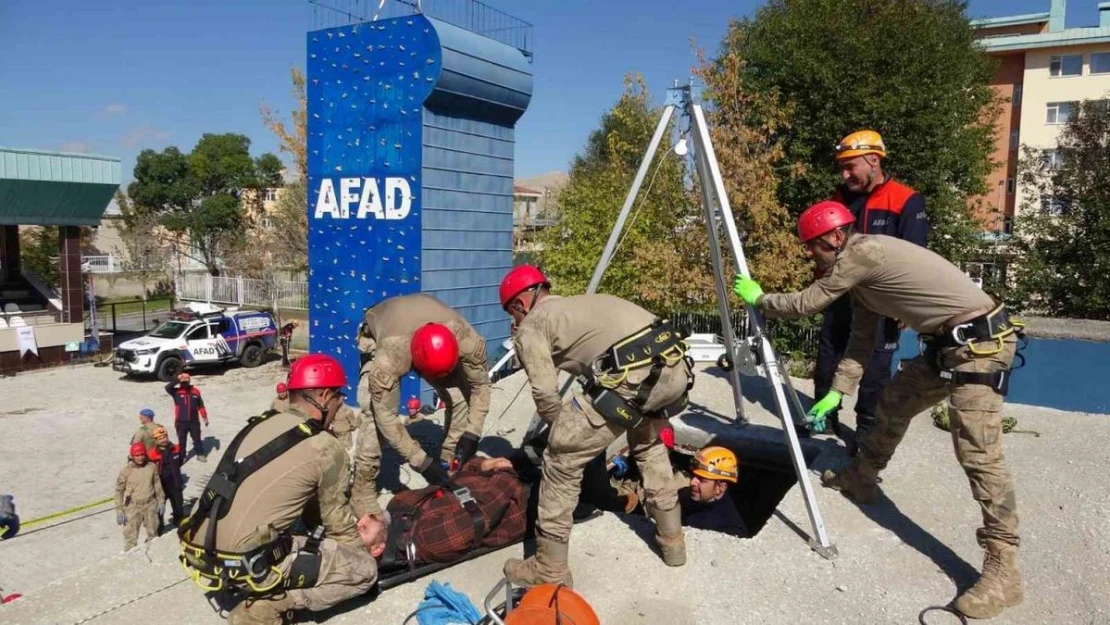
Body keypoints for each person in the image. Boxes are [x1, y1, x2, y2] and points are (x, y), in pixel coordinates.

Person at [733, 200, 1025, 619]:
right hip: (949, 348)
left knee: (979, 453)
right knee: (893, 404)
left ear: (836, 237)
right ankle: (863, 478)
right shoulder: (864, 281)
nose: (809, 254)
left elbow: (805, 303)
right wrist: (838, 392)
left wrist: (761, 299)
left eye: (813, 246)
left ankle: (1004, 569)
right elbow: (861, 343)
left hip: (979, 347)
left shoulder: (863, 252)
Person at [498, 265, 693, 587]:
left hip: (630, 377)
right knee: (648, 443)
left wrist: (564, 433)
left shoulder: (534, 323)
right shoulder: (585, 303)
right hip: (675, 369)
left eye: (513, 314)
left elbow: (545, 392)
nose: (516, 322)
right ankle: (673, 542)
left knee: (561, 460)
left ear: (520, 303)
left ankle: (549, 570)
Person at [178, 354, 381, 625]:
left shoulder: (260, 422)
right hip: (246, 562)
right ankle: (269, 606)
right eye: (338, 398)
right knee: (364, 571)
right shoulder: (325, 446)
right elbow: (337, 522)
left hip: (199, 548)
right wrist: (358, 551)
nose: (339, 405)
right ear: (323, 395)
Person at [815, 130, 929, 453]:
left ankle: (866, 430)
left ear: (874, 160)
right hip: (840, 297)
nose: (844, 174)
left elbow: (916, 256)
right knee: (829, 357)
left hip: (881, 302)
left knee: (875, 366)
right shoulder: (839, 199)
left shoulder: (905, 200)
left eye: (850, 167)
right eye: (842, 167)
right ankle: (823, 417)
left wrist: (906, 305)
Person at [351, 293, 491, 517]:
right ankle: (362, 490)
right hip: (381, 331)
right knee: (372, 410)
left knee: (457, 395)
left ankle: (451, 458)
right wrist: (420, 460)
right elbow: (386, 415)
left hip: (431, 332)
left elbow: (480, 387)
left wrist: (472, 434)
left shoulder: (465, 339)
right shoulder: (391, 356)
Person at [115, 441, 165, 552]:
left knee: (153, 533)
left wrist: (161, 501)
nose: (140, 458)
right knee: (130, 537)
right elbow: (119, 491)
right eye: (137, 455)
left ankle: (153, 554)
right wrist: (119, 510)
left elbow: (157, 484)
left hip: (150, 504)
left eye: (142, 454)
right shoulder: (126, 471)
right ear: (132, 456)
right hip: (133, 507)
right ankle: (129, 557)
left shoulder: (152, 467)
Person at [148, 426, 185, 529]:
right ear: (155, 440)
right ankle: (159, 528)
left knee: (178, 506)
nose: (163, 440)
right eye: (160, 438)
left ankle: (178, 523)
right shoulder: (151, 454)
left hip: (175, 484)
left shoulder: (176, 448)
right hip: (160, 486)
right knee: (159, 508)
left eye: (164, 437)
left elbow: (180, 461)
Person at [166, 373, 208, 463]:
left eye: (186, 382)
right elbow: (167, 387)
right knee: (182, 440)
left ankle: (200, 454)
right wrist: (177, 379)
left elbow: (201, 405)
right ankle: (182, 456)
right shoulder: (176, 392)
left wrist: (205, 417)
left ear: (189, 381)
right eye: (182, 382)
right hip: (180, 421)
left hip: (194, 421)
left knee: (197, 439)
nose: (184, 384)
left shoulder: (195, 391)